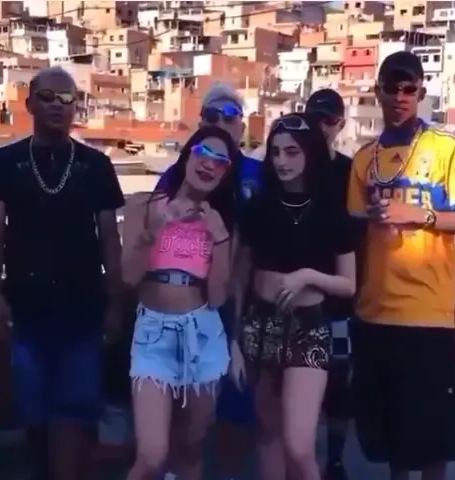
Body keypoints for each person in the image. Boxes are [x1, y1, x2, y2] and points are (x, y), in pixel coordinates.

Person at [0, 67, 125, 480]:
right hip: (25, 310)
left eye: (67, 99)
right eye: (48, 97)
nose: (58, 106)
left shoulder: (97, 165)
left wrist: (116, 303)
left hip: (82, 311)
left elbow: (110, 240)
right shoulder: (3, 163)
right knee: (33, 417)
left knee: (72, 415)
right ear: (29, 103)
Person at [348, 51, 455, 480]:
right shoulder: (364, 158)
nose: (400, 96)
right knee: (393, 442)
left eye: (409, 88)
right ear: (378, 92)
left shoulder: (448, 148)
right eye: (392, 87)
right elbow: (354, 237)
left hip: (428, 315)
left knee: (433, 442)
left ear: (420, 92)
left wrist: (421, 215)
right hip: (375, 314)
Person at [231, 113, 357, 480]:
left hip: (308, 329)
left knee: (299, 446)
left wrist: (308, 276)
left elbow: (349, 284)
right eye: (275, 152)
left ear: (309, 154)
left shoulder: (333, 212)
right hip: (260, 325)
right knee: (267, 435)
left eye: (291, 152)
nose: (282, 161)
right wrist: (234, 339)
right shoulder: (257, 208)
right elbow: (239, 278)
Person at [122, 125, 239, 480]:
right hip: (153, 334)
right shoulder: (144, 204)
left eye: (221, 161)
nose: (209, 164)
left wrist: (219, 237)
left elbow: (217, 297)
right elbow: (128, 277)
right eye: (204, 153)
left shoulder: (223, 221)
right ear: (188, 155)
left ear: (226, 173)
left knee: (190, 448)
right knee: (152, 455)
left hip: (202, 334)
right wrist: (158, 227)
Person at [156, 82, 260, 479]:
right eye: (211, 116)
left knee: (237, 410)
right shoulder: (176, 173)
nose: (219, 122)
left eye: (229, 116)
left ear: (242, 125)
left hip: (244, 304)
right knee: (183, 418)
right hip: (183, 305)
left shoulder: (258, 175)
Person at [305, 89, 355, 480]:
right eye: (315, 120)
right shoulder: (290, 164)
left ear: (340, 125)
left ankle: (334, 461)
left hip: (339, 295)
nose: (322, 128)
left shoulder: (350, 172)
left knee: (338, 385)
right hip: (297, 296)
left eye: (329, 121)